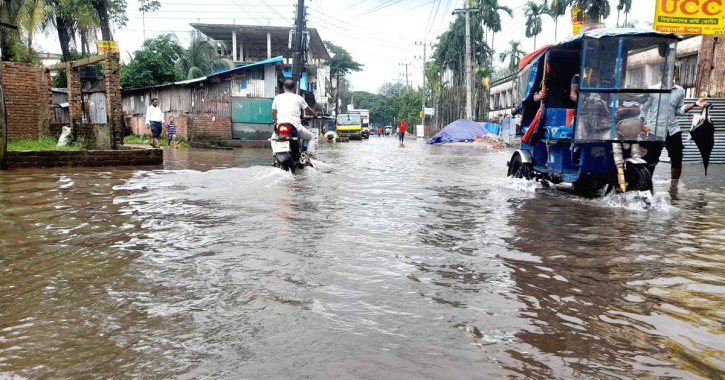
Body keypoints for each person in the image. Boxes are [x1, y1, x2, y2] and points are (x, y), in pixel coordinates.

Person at [639, 85, 709, 187]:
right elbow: (644, 109)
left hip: (673, 129)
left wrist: (694, 104)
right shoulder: (653, 89)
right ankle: (646, 185)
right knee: (650, 159)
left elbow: (678, 110)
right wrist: (641, 125)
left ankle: (674, 187)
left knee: (677, 159)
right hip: (655, 130)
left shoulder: (680, 90)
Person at [272, 79, 318, 163]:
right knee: (312, 137)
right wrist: (315, 115)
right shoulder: (298, 98)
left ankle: (275, 158)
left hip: (281, 126)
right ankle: (308, 158)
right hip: (295, 127)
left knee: (273, 139)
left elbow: (274, 112)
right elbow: (308, 110)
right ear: (294, 88)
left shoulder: (277, 97)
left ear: (283, 88)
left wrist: (276, 122)